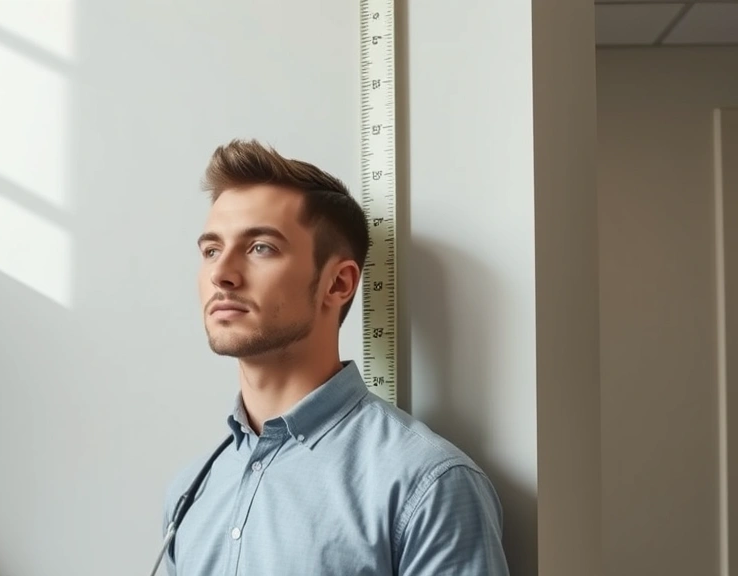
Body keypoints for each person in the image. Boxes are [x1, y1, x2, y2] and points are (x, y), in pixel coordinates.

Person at [161, 139, 509, 575]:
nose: (221, 274)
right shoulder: (191, 491)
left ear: (339, 284)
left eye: (260, 248)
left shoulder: (426, 483)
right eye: (211, 250)